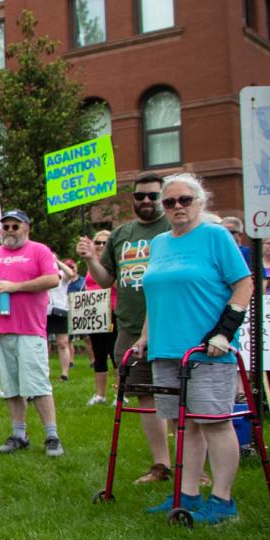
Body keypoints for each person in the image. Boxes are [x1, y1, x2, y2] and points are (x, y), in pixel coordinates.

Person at [136, 173, 252, 525]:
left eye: (184, 200)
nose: (177, 207)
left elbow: (243, 284)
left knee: (213, 422)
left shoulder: (214, 236)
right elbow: (156, 296)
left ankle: (222, 500)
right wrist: (144, 338)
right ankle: (186, 495)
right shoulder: (159, 242)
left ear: (200, 202)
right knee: (183, 423)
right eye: (169, 202)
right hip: (165, 347)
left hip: (207, 350)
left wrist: (224, 334)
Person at [76, 172, 173, 481]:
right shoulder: (121, 235)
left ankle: (193, 466)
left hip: (171, 323)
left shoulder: (174, 228)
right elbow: (106, 279)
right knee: (145, 395)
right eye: (140, 195)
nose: (146, 201)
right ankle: (162, 465)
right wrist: (91, 258)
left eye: (153, 196)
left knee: (182, 394)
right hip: (130, 327)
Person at [0, 209, 64, 456]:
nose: (10, 231)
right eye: (6, 226)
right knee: (10, 386)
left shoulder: (38, 250)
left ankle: (52, 435)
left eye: (15, 226)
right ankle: (18, 434)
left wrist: (16, 287)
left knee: (38, 384)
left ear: (26, 228)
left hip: (29, 329)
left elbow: (53, 279)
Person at [81, 231, 117, 406]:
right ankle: (100, 394)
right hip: (94, 313)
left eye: (105, 242)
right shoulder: (90, 263)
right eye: (97, 242)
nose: (101, 246)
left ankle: (120, 393)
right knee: (99, 354)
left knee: (115, 353)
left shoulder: (115, 263)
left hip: (113, 312)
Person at [46, 260, 75, 380]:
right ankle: (44, 372)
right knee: (43, 344)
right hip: (44, 311)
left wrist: (56, 261)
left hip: (60, 310)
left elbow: (71, 274)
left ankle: (64, 374)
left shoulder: (61, 274)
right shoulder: (41, 274)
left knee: (63, 343)